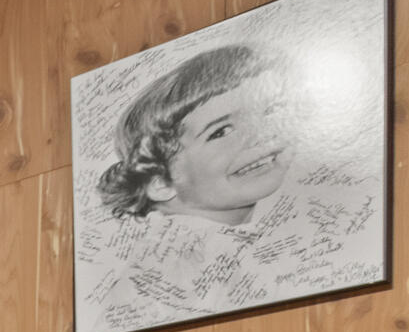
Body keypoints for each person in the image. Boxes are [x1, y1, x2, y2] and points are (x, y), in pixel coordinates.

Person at [96, 43, 295, 227]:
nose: (260, 133)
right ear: (161, 183)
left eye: (269, 113)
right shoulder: (178, 256)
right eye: (221, 132)